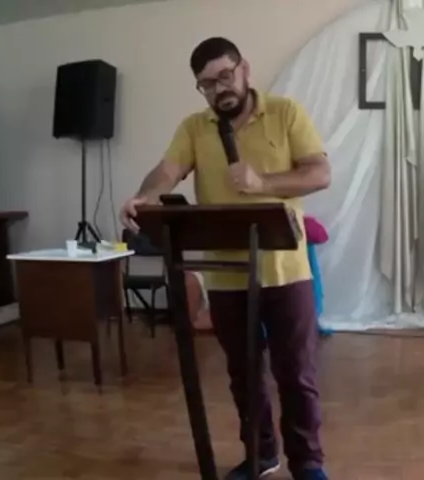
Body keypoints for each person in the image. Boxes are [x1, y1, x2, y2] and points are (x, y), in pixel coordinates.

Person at [119, 37, 331, 480]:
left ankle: (308, 462)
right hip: (227, 277)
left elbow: (319, 173)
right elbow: (168, 171)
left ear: (244, 68)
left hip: (287, 272)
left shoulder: (286, 112)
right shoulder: (195, 127)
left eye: (225, 76)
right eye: (207, 84)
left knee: (296, 373)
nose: (219, 89)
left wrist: (262, 183)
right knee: (244, 374)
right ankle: (261, 454)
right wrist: (145, 196)